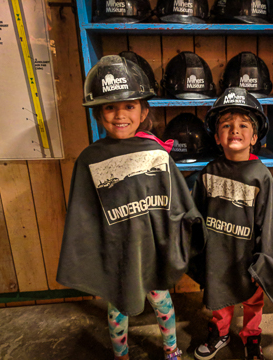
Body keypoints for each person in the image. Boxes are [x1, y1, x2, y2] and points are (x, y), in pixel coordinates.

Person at [56, 55, 206, 360]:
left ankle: (172, 351)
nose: (119, 114)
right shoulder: (90, 159)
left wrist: (185, 238)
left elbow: (176, 206)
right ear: (98, 114)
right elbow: (83, 218)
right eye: (110, 107)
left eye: (129, 105)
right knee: (118, 308)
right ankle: (121, 355)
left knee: (163, 304)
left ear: (143, 110)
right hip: (118, 254)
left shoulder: (156, 154)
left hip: (152, 251)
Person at [190, 87, 273, 360]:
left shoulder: (261, 177)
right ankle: (220, 332)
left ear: (255, 137)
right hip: (218, 256)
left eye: (243, 125)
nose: (235, 130)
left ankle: (251, 337)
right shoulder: (208, 173)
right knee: (219, 299)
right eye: (226, 125)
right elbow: (194, 216)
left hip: (247, 257)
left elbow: (269, 223)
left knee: (252, 300)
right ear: (217, 136)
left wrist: (262, 261)